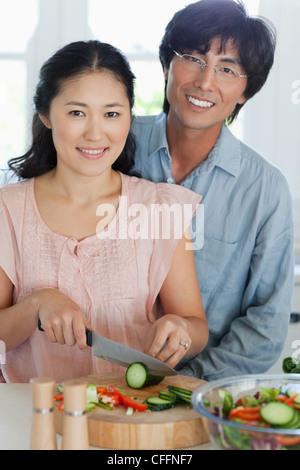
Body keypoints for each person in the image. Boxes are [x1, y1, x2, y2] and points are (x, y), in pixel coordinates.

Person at [0, 40, 208, 383]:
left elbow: (197, 328)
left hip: (132, 418)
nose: (96, 133)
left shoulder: (159, 207)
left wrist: (181, 327)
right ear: (45, 115)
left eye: (111, 113)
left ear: (129, 115)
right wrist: (35, 305)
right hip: (34, 421)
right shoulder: (8, 210)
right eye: (77, 112)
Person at [130, 0, 295, 380]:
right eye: (193, 57)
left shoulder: (265, 191)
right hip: (91, 382)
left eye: (227, 69)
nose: (205, 82)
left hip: (199, 396)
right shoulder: (112, 144)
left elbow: (264, 327)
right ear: (167, 65)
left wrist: (185, 387)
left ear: (244, 92)